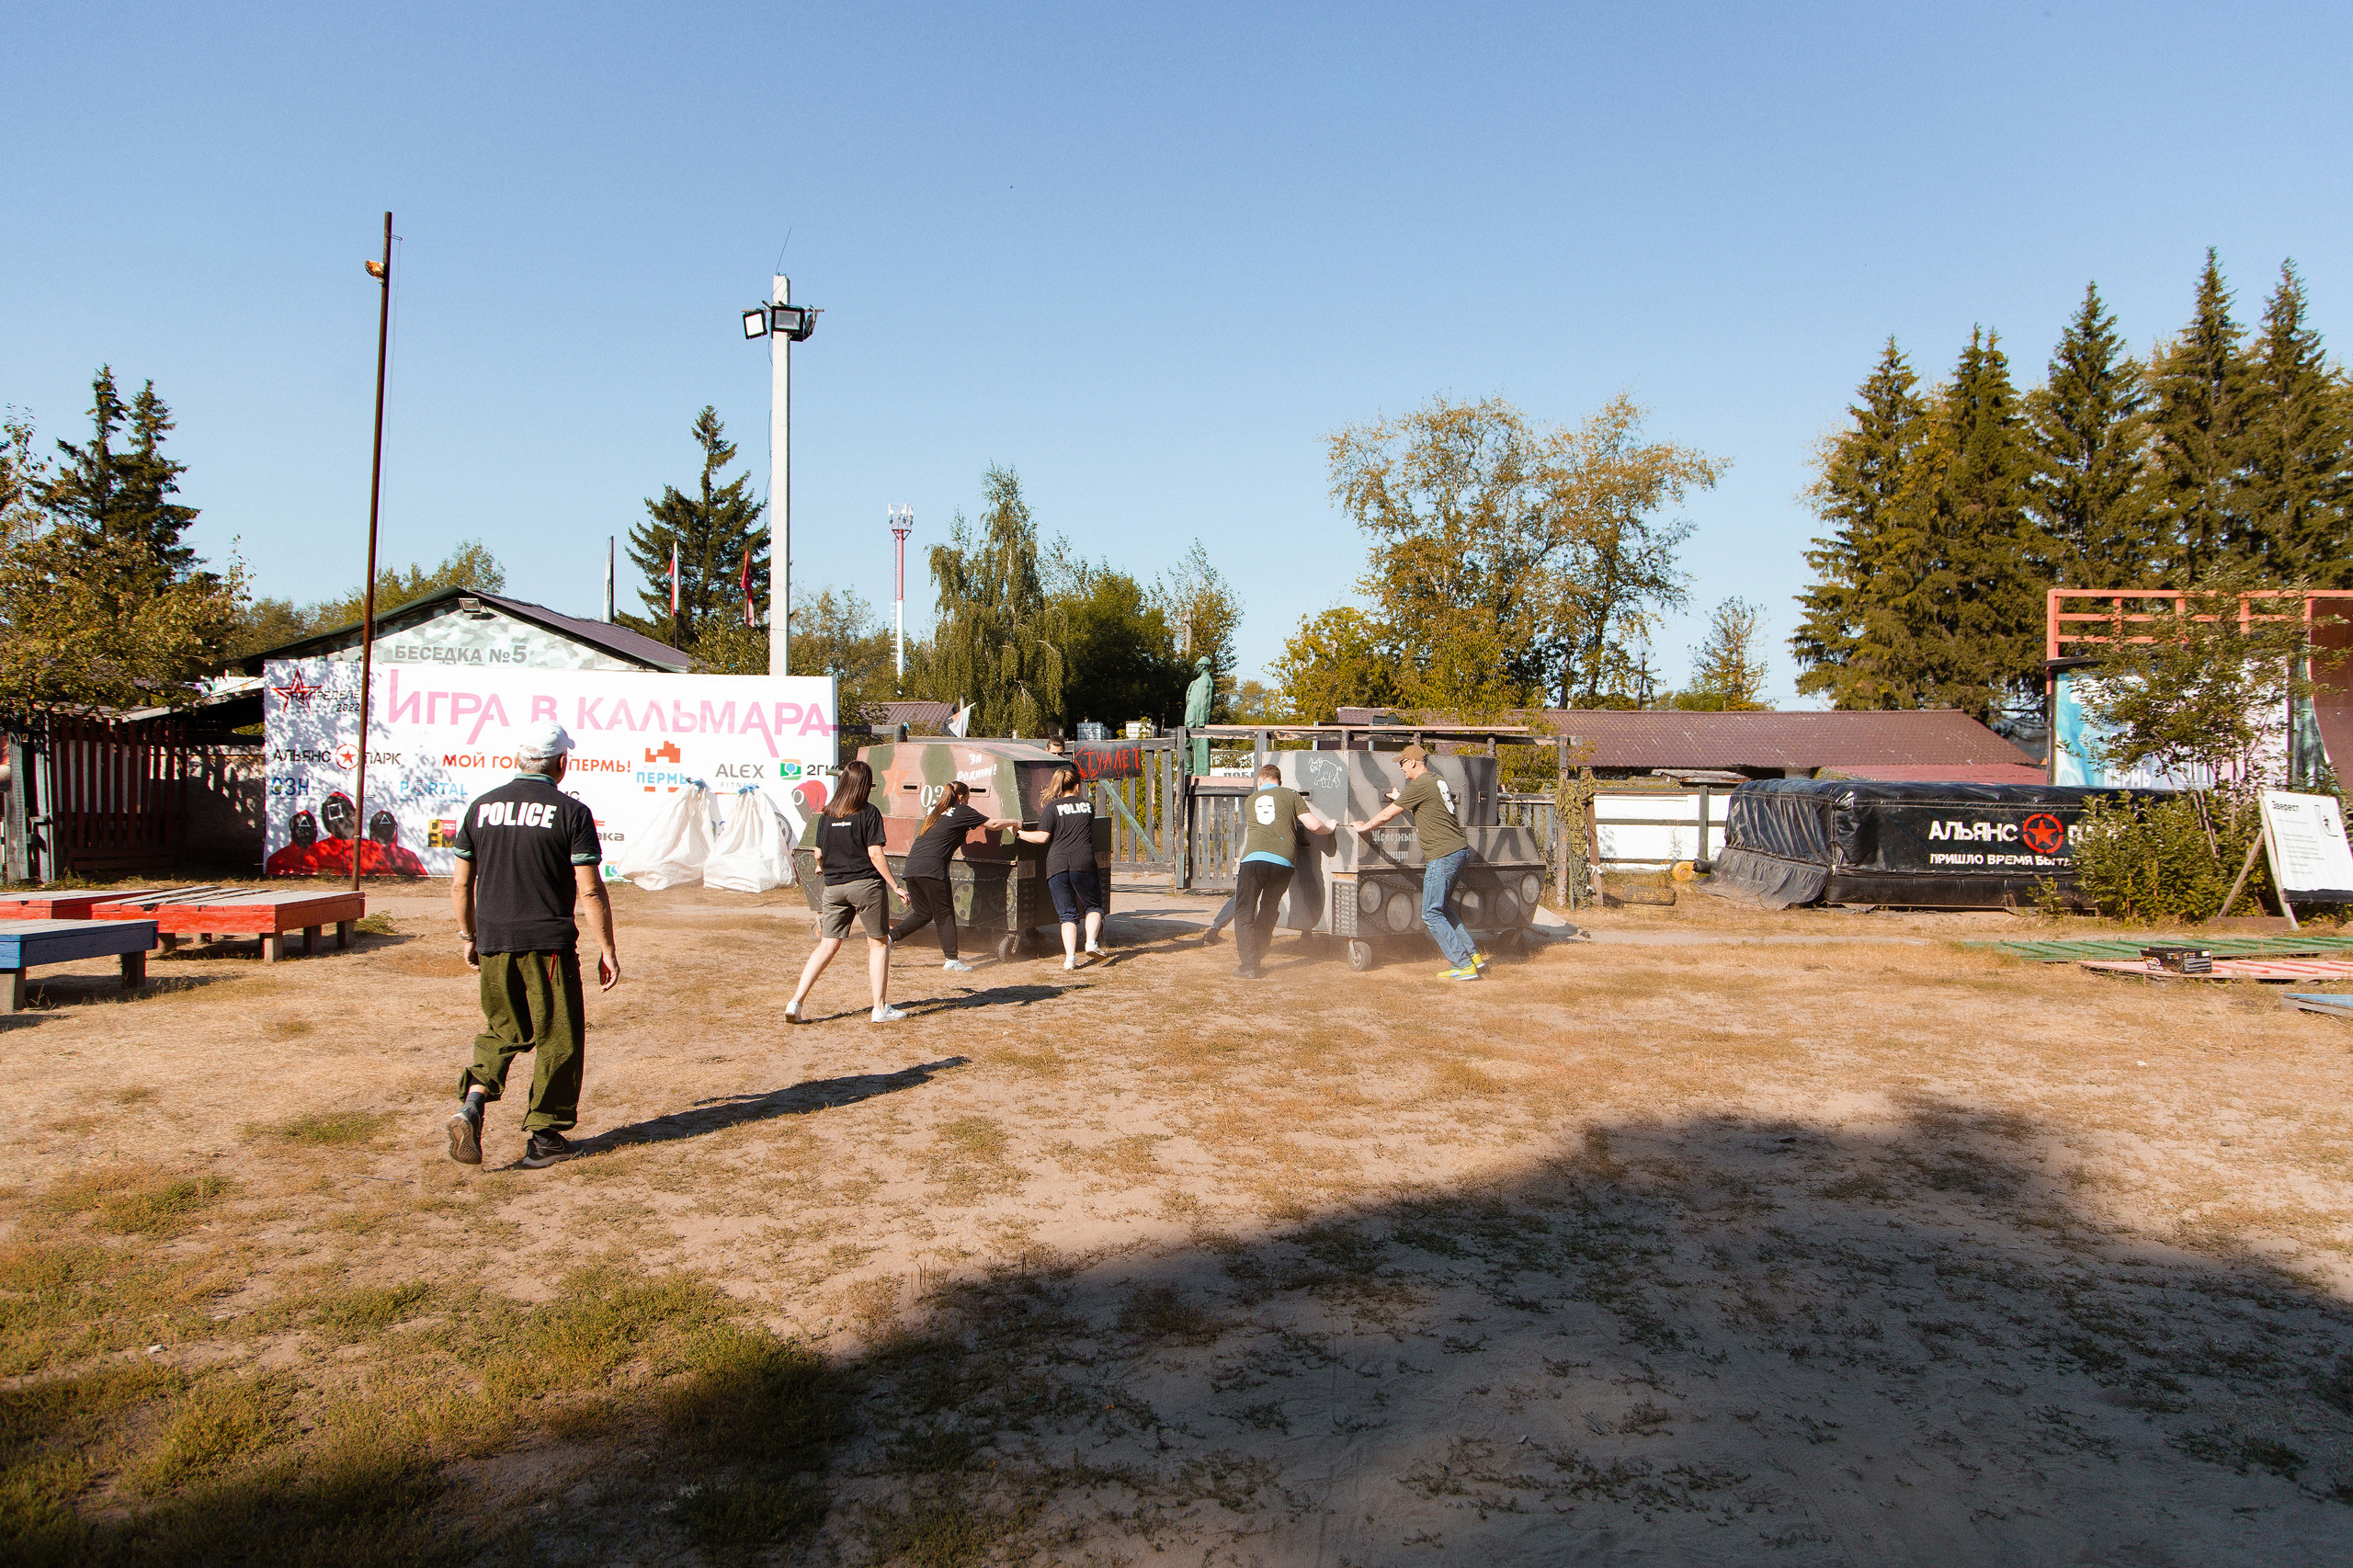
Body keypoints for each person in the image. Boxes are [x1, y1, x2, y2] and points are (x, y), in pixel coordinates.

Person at [444, 721, 620, 1170]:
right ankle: (545, 1136)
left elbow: (462, 882)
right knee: (558, 1035)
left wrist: (468, 936)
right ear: (563, 762)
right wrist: (607, 950)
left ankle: (473, 1101)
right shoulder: (571, 812)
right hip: (548, 944)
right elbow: (591, 891)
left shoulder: (480, 807)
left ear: (517, 758)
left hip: (494, 939)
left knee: (504, 1028)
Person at [1347, 744, 1484, 982]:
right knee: (1441, 908)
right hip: (1458, 851)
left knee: (1431, 913)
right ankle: (1472, 957)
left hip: (1443, 855)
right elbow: (1427, 811)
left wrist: (1363, 826)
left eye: (1402, 763)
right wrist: (1401, 798)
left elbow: (1386, 814)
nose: (1401, 768)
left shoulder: (1419, 784)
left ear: (1412, 762)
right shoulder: (1435, 780)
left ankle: (1462, 964)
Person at [787, 759, 909, 1023]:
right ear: (865, 785)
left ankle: (796, 1002)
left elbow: (818, 853)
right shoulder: (869, 812)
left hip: (833, 889)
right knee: (877, 945)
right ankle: (879, 1008)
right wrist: (895, 885)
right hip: (866, 886)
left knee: (827, 946)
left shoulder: (827, 814)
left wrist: (823, 867)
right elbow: (875, 853)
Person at [890, 780, 1017, 972]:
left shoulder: (934, 812)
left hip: (912, 868)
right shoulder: (961, 811)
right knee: (945, 915)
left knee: (923, 913)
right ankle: (952, 960)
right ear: (961, 797)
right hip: (932, 869)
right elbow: (993, 824)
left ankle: (890, 937)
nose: (967, 801)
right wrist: (1014, 822)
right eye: (967, 798)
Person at [1229, 762, 1336, 979]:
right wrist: (1331, 827)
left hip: (1253, 861)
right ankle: (1257, 957)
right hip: (1283, 862)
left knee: (1244, 911)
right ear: (1279, 781)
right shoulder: (1291, 794)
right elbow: (1314, 826)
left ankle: (1248, 965)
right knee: (1269, 908)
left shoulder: (1250, 800)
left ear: (1260, 781)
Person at [1018, 765, 1107, 969]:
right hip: (1083, 861)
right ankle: (1091, 943)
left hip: (1057, 864)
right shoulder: (1088, 807)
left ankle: (1070, 959)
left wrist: (1019, 833)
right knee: (1093, 906)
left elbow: (1042, 838)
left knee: (1067, 914)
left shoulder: (1051, 807)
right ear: (1077, 786)